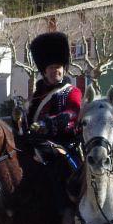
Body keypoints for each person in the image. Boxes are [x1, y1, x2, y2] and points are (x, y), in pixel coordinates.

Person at [24, 31, 83, 168]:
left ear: (64, 69)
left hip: (63, 142)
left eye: (58, 67)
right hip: (35, 140)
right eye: (51, 67)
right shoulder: (38, 95)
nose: (55, 70)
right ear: (44, 71)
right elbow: (29, 119)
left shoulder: (72, 91)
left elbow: (72, 113)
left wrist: (49, 124)